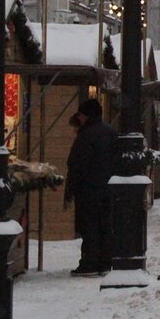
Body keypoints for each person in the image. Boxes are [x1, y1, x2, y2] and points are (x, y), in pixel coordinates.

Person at [64, 98, 117, 276]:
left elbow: (77, 164)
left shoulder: (86, 135)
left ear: (85, 115)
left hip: (88, 189)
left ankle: (90, 262)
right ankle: (105, 261)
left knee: (90, 227)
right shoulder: (110, 132)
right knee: (105, 225)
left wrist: (71, 188)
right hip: (107, 187)